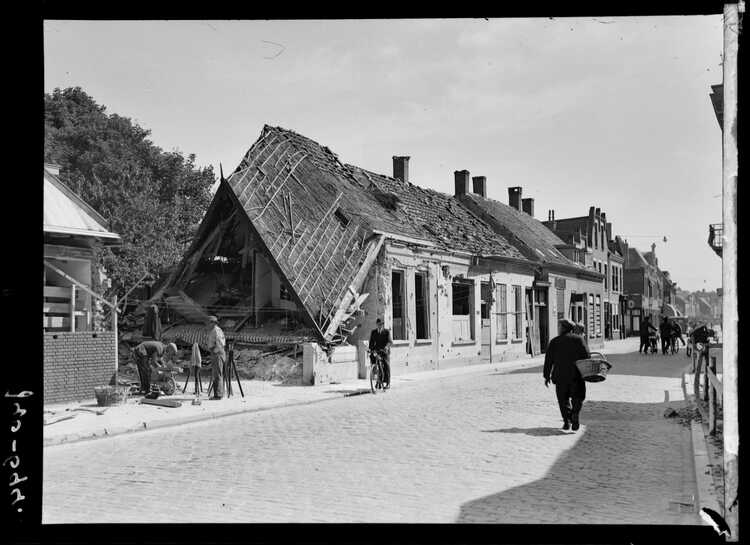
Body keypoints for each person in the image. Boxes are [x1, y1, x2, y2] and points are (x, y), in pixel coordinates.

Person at [543, 319, 590, 431]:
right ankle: (575, 415)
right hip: (577, 375)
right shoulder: (579, 339)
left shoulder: (554, 341)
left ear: (562, 328)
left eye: (559, 326)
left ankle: (567, 420)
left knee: (563, 400)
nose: (558, 328)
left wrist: (546, 376)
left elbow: (548, 360)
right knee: (578, 398)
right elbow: (587, 356)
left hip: (560, 377)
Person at [368, 318, 393, 388]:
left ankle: (388, 383)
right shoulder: (374, 332)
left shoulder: (386, 332)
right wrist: (370, 349)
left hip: (385, 351)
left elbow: (390, 342)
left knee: (386, 365)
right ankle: (378, 381)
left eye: (382, 324)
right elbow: (371, 342)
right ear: (377, 324)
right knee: (375, 363)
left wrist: (386, 347)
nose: (380, 326)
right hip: (377, 351)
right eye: (379, 324)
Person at [206, 316, 226, 400]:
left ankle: (218, 395)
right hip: (216, 353)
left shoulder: (216, 331)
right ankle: (218, 394)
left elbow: (220, 343)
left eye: (209, 322)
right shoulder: (213, 331)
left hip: (217, 353)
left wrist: (215, 352)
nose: (207, 324)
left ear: (213, 323)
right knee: (216, 374)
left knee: (217, 374)